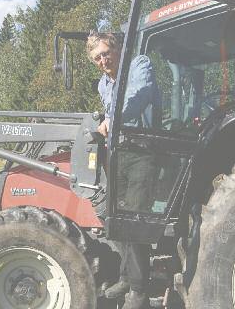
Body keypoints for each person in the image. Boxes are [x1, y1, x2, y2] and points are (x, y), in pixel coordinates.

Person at [86, 31, 161, 309]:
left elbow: (138, 97)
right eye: (97, 57)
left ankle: (140, 291)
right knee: (116, 221)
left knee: (134, 223)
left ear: (116, 48)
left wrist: (111, 120)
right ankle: (126, 277)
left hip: (145, 150)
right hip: (119, 153)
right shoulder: (103, 84)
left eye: (106, 53)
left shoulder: (139, 65)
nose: (103, 60)